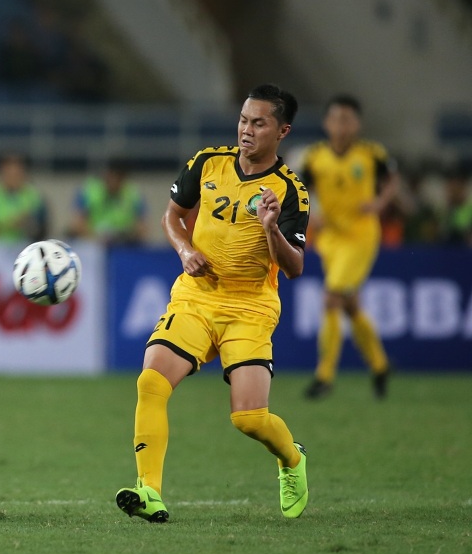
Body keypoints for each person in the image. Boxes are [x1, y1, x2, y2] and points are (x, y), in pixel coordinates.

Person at [115, 84, 311, 523]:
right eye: (243, 119)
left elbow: (295, 268)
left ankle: (292, 459)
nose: (246, 130)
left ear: (282, 131)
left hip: (251, 308)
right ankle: (149, 492)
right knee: (151, 382)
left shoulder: (289, 191)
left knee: (249, 418)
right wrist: (185, 251)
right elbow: (171, 216)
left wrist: (271, 229)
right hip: (197, 297)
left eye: (258, 123)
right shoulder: (207, 162)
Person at [301, 95, 397, 400]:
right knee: (350, 304)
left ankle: (324, 375)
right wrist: (308, 211)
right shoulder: (315, 156)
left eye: (348, 119)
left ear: (357, 124)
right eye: (336, 119)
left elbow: (392, 180)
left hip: (360, 236)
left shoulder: (371, 154)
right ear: (327, 123)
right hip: (330, 238)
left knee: (331, 298)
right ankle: (381, 365)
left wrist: (380, 202)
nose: (342, 126)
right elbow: (301, 188)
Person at [69, 159, 147, 244]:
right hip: (93, 244)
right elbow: (77, 225)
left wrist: (126, 237)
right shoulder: (89, 191)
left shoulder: (133, 194)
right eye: (111, 176)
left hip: (123, 245)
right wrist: (96, 237)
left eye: (119, 178)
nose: (114, 181)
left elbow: (142, 228)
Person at [0, 153, 47, 243]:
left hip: (25, 247)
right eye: (9, 173)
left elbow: (42, 228)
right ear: (1, 173)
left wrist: (29, 224)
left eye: (17, 173)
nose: (13, 177)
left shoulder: (34, 196)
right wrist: (8, 225)